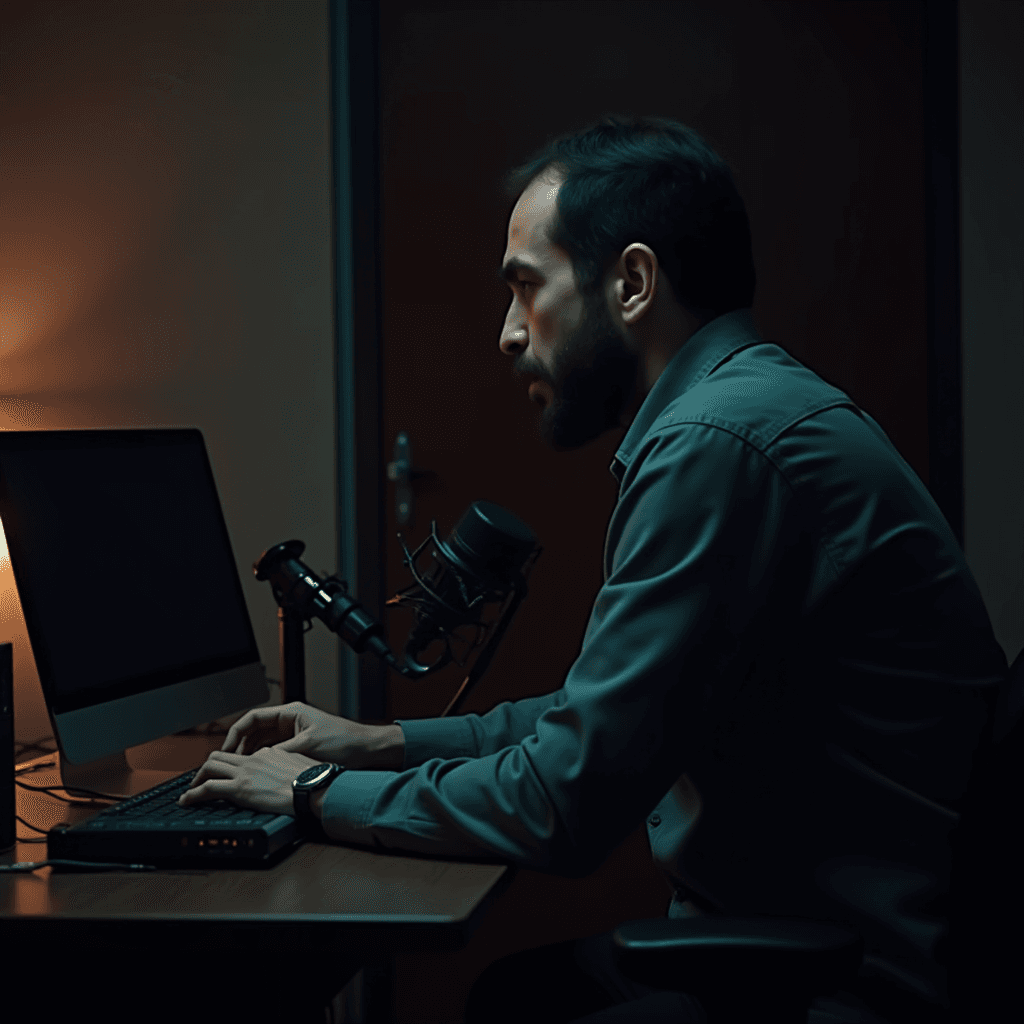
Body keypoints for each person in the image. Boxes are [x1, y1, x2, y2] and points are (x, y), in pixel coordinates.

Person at [179, 115, 1007, 1023]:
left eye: (525, 287)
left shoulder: (715, 444)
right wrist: (384, 744)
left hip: (851, 983)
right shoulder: (746, 411)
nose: (505, 334)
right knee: (514, 996)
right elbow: (606, 719)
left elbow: (565, 800)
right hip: (812, 943)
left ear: (634, 283)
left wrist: (312, 790)